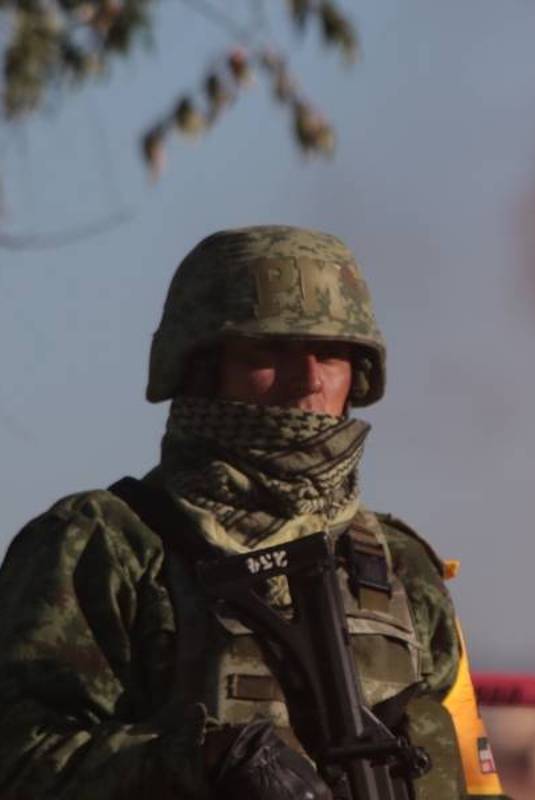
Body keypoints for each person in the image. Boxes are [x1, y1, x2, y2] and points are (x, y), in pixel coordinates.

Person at [0, 226, 508, 799]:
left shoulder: (400, 565)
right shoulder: (104, 545)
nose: (309, 382)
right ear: (199, 369)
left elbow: (475, 780)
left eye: (333, 354)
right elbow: (20, 762)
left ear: (358, 375)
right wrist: (204, 761)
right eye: (269, 353)